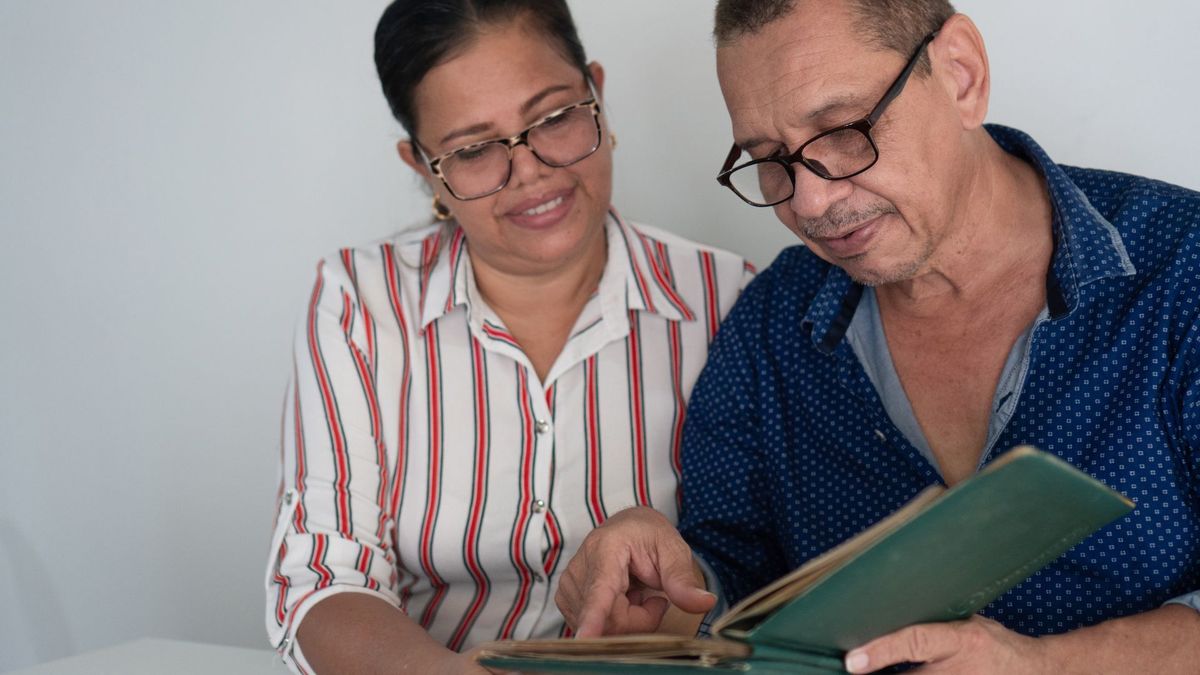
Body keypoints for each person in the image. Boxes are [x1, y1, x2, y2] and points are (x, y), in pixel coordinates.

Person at [556, 0, 1200, 672]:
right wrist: (664, 583)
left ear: (960, 74)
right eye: (771, 160)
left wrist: (1049, 666)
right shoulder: (769, 325)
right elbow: (736, 585)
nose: (809, 203)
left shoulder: (1184, 267)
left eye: (840, 130)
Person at [262, 1, 751, 673]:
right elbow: (323, 578)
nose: (529, 171)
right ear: (422, 164)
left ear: (598, 96)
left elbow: (761, 571)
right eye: (472, 150)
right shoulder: (359, 303)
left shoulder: (731, 300)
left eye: (553, 119)